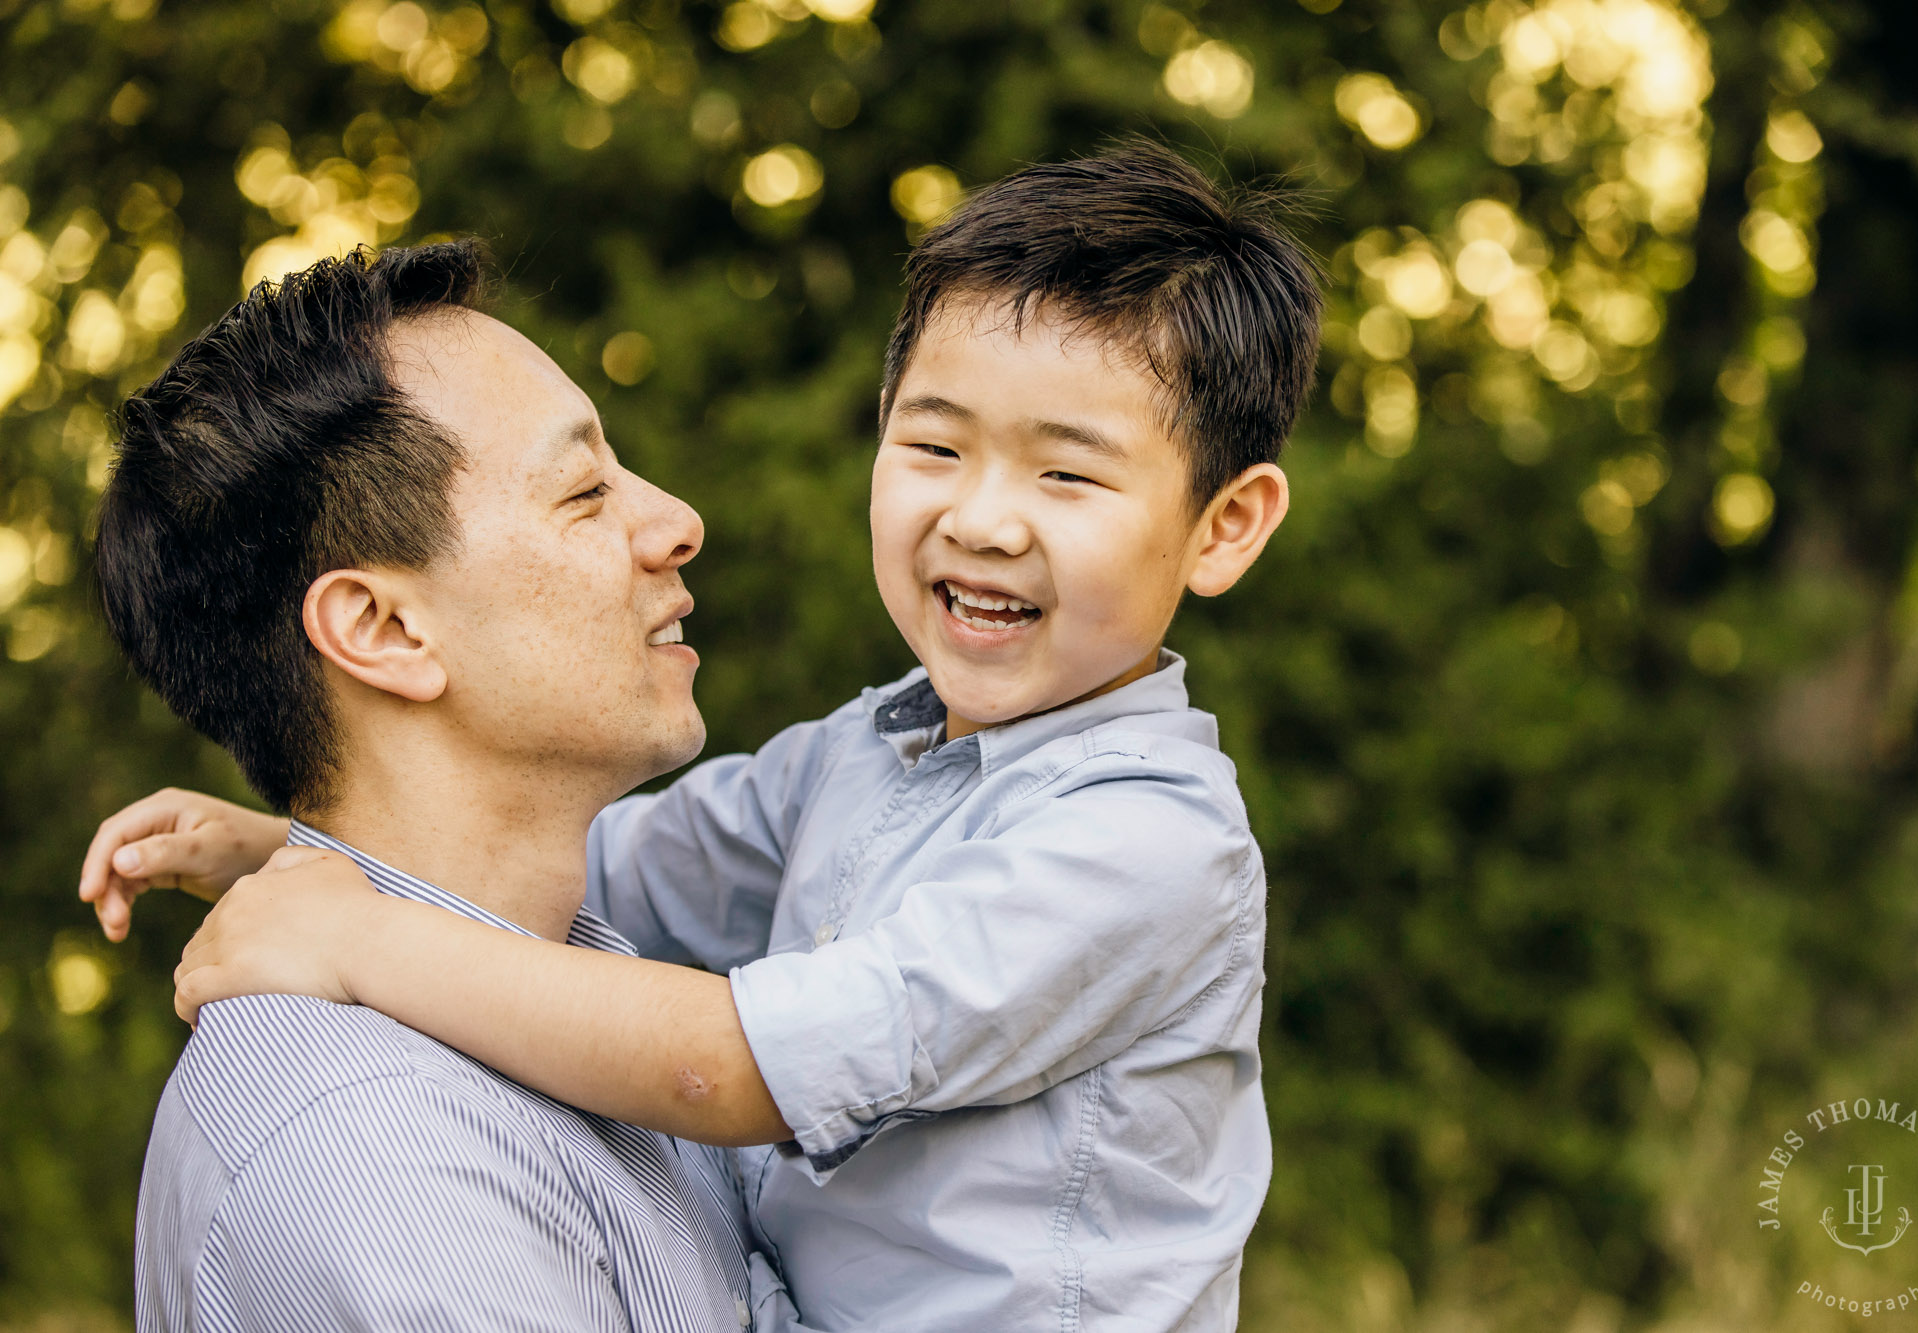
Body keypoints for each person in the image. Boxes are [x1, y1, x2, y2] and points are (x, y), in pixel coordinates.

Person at [86, 143, 1323, 1330]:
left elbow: (723, 1067)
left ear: (1223, 526)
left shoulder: (1140, 840)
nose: (983, 518)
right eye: (935, 447)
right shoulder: (384, 1163)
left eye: (1067, 477)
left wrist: (356, 928)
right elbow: (626, 868)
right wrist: (276, 860)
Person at [89, 241, 793, 1332]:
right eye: (584, 490)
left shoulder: (567, 1007)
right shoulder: (383, 1155)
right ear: (384, 629)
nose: (673, 521)